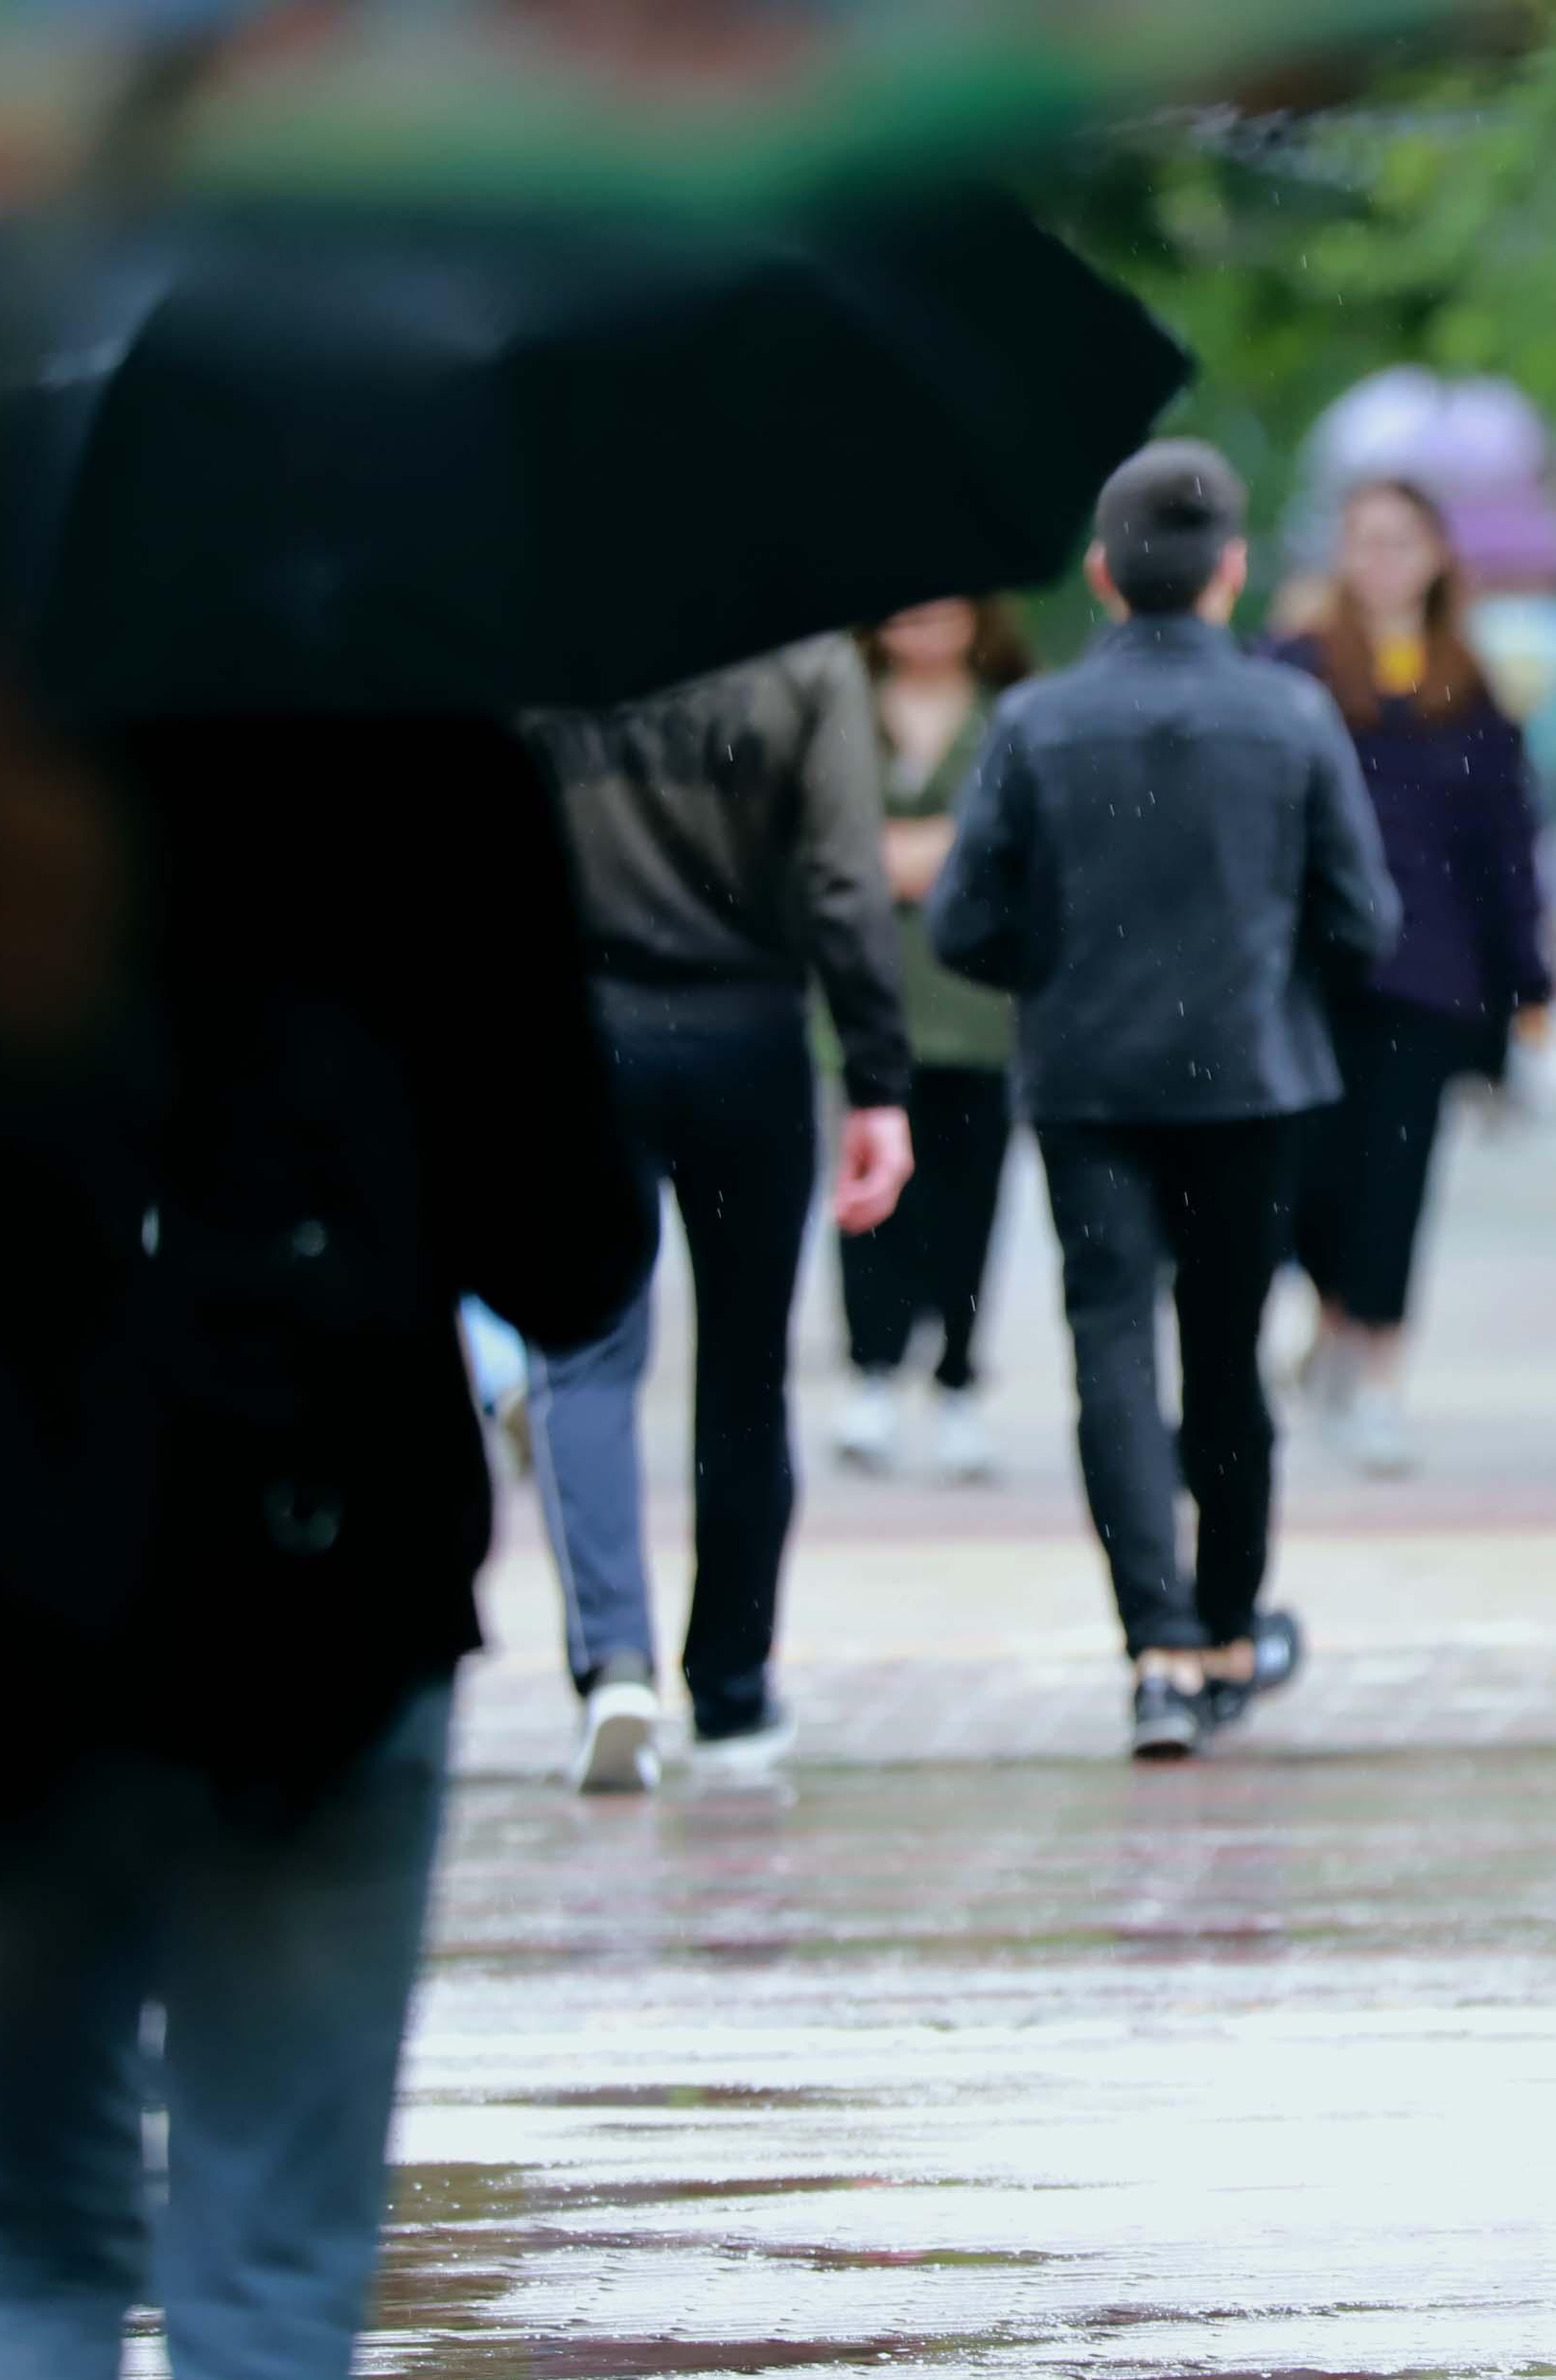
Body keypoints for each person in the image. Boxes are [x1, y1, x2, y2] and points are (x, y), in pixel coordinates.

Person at [0, 691, 648, 2380]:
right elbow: (572, 1249)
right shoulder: (418, 771)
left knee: (31, 2242)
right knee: (268, 2285)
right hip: (314, 1589)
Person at [934, 439, 1403, 1761]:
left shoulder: (1034, 725)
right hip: (1252, 1080)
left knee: (1111, 1356)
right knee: (1227, 1353)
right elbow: (1363, 918)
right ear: (1232, 574)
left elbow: (966, 924)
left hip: (1088, 1080)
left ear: (1100, 575)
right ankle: (1231, 1622)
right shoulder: (1292, 717)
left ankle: (1152, 1645)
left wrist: (1070, 960)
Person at [523, 638, 915, 1795]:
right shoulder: (803, 652)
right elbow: (845, 877)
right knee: (745, 1371)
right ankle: (735, 1687)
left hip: (574, 1031)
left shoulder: (537, 610)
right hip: (749, 1033)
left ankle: (613, 1661)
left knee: (583, 1356)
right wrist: (879, 1078)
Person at [1274, 475, 1553, 1477]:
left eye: (1400, 540)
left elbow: (1505, 846)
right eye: (1363, 540)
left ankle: (1379, 1371)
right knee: (1307, 1181)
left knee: (1393, 1181)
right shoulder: (1294, 672)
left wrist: (1528, 982)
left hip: (1430, 979)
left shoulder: (1470, 688)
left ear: (1436, 556)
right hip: (1308, 976)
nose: (1381, 560)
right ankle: (1335, 1314)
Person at [833, 598, 1033, 1487]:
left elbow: (1016, 848)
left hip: (978, 1003)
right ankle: (870, 1370)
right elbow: (819, 843)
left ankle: (957, 1376)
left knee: (969, 1197)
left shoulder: (1009, 718)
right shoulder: (838, 707)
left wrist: (907, 854)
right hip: (860, 998)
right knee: (867, 1198)